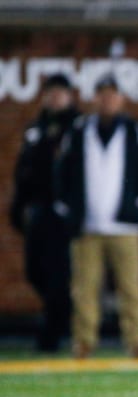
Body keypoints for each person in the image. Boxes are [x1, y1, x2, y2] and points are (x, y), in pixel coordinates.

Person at [54, 74, 138, 359]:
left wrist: (137, 205)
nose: (107, 100)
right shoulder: (79, 130)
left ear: (121, 98)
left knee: (130, 287)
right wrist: (69, 209)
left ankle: (136, 341)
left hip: (125, 225)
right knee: (83, 289)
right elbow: (62, 174)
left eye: (112, 94)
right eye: (102, 94)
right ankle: (83, 342)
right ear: (95, 98)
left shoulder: (135, 131)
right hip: (86, 225)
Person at [10, 73, 79, 352]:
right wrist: (18, 208)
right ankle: (62, 315)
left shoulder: (77, 128)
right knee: (34, 271)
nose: (55, 97)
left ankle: (52, 331)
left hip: (63, 213)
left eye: (60, 92)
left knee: (57, 276)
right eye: (51, 92)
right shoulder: (36, 128)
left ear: (70, 95)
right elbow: (23, 171)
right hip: (38, 210)